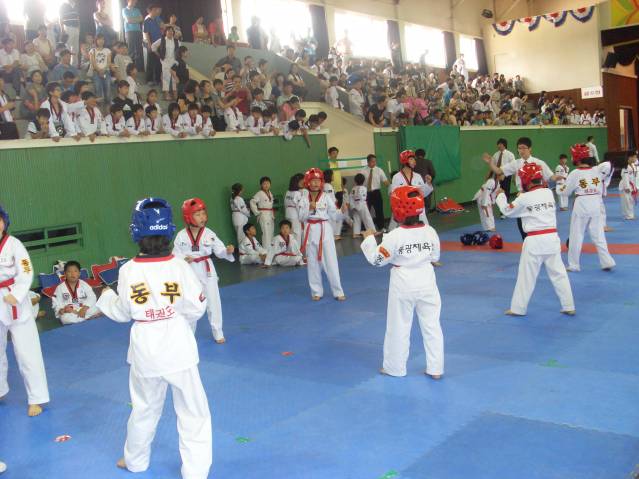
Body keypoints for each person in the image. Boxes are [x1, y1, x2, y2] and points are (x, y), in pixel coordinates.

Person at [96, 197, 212, 479]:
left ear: (135, 232)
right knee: (193, 411)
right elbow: (197, 307)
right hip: (178, 345)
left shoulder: (128, 270)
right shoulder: (180, 266)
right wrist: (173, 315)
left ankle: (135, 461)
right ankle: (195, 471)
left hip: (146, 347)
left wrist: (106, 297)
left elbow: (123, 312)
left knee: (144, 408)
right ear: (169, 231)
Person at [360, 186, 443, 378]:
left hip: (403, 283)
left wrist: (369, 239)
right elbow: (435, 256)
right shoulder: (430, 231)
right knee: (432, 326)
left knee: (398, 326)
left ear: (397, 210)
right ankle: (436, 369)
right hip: (427, 281)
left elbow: (377, 260)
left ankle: (394, 368)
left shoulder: (394, 236)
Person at [495, 163, 575, 316]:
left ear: (525, 180)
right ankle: (568, 306)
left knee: (526, 276)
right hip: (552, 238)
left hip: (535, 241)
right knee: (559, 274)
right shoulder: (548, 193)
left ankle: (518, 309)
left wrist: (500, 196)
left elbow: (507, 211)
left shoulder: (524, 198)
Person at [0, 204, 50, 417]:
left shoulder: (14, 244)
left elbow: (26, 271)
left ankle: (36, 398)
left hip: (15, 301)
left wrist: (18, 293)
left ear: (5, 222)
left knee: (27, 352)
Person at [173, 198, 234, 343]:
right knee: (190, 302)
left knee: (213, 301)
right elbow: (175, 254)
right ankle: (189, 333)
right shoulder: (181, 236)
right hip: (189, 270)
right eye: (198, 214)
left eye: (203, 213)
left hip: (207, 269)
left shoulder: (209, 233)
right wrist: (183, 258)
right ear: (188, 217)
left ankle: (218, 331)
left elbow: (219, 250)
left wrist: (227, 251)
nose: (202, 217)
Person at [483, 137, 557, 239]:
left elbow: (551, 177)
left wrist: (561, 177)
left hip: (535, 196)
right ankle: (526, 241)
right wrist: (491, 163)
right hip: (522, 196)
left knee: (537, 223)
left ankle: (537, 239)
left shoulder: (539, 163)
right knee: (522, 225)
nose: (521, 151)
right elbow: (499, 171)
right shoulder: (516, 163)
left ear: (530, 149)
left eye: (524, 148)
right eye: (519, 148)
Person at [558, 144, 616, 272]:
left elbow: (565, 192)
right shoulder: (596, 170)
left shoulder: (575, 173)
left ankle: (574, 265)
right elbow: (608, 165)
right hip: (595, 203)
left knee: (576, 235)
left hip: (582, 204)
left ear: (576, 158)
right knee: (599, 235)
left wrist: (558, 188)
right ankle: (607, 262)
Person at [297, 168, 346, 301]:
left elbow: (334, 215)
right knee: (313, 263)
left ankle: (338, 291)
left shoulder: (326, 197)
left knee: (331, 261)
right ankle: (316, 291)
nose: (315, 183)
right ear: (308, 182)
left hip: (324, 230)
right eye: (313, 181)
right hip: (310, 230)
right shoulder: (303, 199)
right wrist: (309, 209)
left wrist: (342, 212)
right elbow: (301, 217)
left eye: (318, 181)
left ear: (321, 182)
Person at [390, 150, 433, 227]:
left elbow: (422, 194)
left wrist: (428, 183)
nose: (414, 161)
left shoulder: (418, 176)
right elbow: (394, 196)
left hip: (418, 210)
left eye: (414, 159)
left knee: (423, 230)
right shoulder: (396, 177)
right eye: (411, 159)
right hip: (405, 210)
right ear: (404, 161)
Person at [52, 261, 100, 325]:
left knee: (96, 307)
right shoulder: (60, 288)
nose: (72, 274)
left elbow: (92, 297)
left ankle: (81, 318)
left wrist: (84, 308)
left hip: (83, 308)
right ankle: (88, 318)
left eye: (75, 271)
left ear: (79, 273)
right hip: (70, 312)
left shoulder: (84, 284)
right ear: (65, 274)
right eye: (69, 271)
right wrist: (62, 310)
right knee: (65, 319)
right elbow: (56, 303)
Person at [361, 154, 390, 232]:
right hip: (366, 193)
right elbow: (359, 182)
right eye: (372, 161)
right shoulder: (363, 170)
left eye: (375, 161)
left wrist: (391, 187)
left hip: (376, 193)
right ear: (368, 162)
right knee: (365, 211)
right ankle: (364, 229)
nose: (374, 163)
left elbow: (385, 181)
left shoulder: (379, 170)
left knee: (379, 210)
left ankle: (381, 227)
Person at [152, 27, 179, 100]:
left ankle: (175, 94)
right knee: (166, 77)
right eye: (169, 31)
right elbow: (153, 46)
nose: (170, 32)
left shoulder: (176, 41)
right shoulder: (162, 40)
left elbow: (178, 51)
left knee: (174, 78)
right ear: (165, 32)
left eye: (172, 31)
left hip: (174, 61)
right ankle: (166, 95)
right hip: (165, 61)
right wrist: (160, 56)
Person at [250, 177, 275, 248]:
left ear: (270, 184)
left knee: (271, 232)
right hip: (263, 214)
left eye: (268, 183)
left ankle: (271, 249)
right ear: (261, 185)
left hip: (270, 214)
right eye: (264, 184)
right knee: (266, 233)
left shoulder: (270, 193)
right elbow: (252, 201)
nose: (266, 185)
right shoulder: (259, 193)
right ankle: (266, 250)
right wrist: (257, 212)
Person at [143, 4, 163, 85]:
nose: (156, 11)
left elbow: (162, 27)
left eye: (156, 10)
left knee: (159, 62)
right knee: (150, 62)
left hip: (159, 43)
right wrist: (149, 44)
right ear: (149, 11)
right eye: (154, 10)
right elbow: (146, 33)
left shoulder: (157, 19)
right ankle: (149, 80)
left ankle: (158, 79)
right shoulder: (147, 21)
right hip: (151, 43)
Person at [89, 34, 112, 104]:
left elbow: (109, 62)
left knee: (107, 88)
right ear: (96, 40)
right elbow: (93, 62)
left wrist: (104, 70)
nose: (101, 41)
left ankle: (108, 105)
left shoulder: (107, 50)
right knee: (98, 88)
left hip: (106, 72)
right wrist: (99, 70)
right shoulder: (92, 50)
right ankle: (99, 106)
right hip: (96, 72)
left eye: (102, 39)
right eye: (99, 39)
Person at [59, 0, 80, 66]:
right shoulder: (63, 5)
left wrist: (79, 28)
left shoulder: (76, 5)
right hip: (68, 27)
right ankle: (65, 66)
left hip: (76, 28)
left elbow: (78, 18)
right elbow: (60, 18)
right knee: (67, 49)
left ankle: (74, 66)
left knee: (75, 49)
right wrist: (62, 30)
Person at [285, 173, 305, 242]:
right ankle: (297, 248)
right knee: (297, 233)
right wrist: (302, 218)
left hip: (288, 214)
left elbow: (285, 204)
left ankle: (291, 247)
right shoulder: (297, 193)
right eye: (301, 182)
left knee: (290, 233)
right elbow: (299, 207)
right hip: (295, 214)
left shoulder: (288, 192)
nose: (303, 183)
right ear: (296, 183)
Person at [620, 151, 638, 220]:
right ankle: (628, 216)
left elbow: (634, 177)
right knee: (627, 201)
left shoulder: (633, 165)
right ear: (630, 157)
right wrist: (627, 187)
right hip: (625, 186)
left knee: (630, 201)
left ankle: (630, 214)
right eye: (635, 157)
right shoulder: (626, 167)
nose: (636, 158)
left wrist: (635, 187)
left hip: (632, 185)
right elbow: (625, 177)